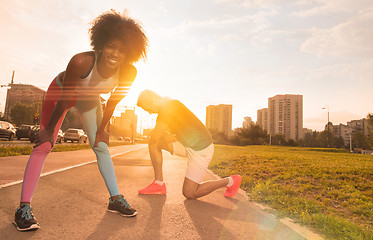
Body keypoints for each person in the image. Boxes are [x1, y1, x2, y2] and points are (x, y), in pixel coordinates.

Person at [14, 10, 148, 231]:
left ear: (130, 54)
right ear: (101, 43)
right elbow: (67, 97)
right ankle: (23, 209)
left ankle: (115, 199)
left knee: (101, 145)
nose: (115, 53)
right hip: (60, 92)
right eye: (111, 46)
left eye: (122, 50)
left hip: (90, 100)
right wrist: (48, 130)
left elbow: (113, 102)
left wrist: (103, 130)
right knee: (45, 144)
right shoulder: (81, 61)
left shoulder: (129, 72)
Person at [136, 89, 242, 199]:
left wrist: (162, 134)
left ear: (153, 99)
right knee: (154, 142)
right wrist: (164, 134)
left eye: (147, 108)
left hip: (202, 150)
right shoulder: (165, 110)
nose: (149, 112)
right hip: (186, 146)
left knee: (190, 193)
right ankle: (159, 184)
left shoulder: (170, 106)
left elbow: (155, 134)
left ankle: (230, 181)